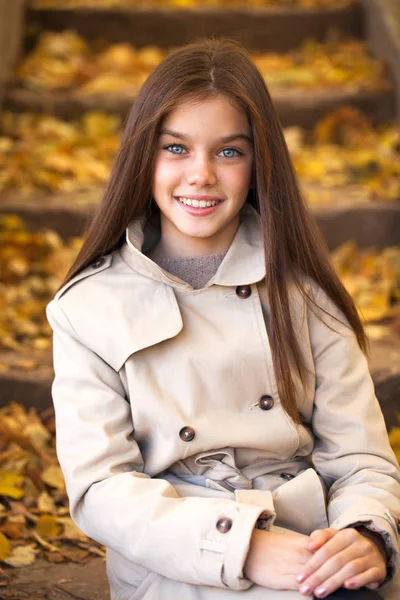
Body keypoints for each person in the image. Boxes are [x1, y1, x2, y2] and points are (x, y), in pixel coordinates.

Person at [46, 38, 400, 600]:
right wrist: (242, 547)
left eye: (229, 152)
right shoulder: (88, 307)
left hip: (311, 549)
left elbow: (360, 459)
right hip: (177, 564)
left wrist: (364, 533)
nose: (202, 175)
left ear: (260, 163)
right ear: (144, 156)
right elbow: (101, 489)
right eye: (176, 148)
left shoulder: (305, 294)